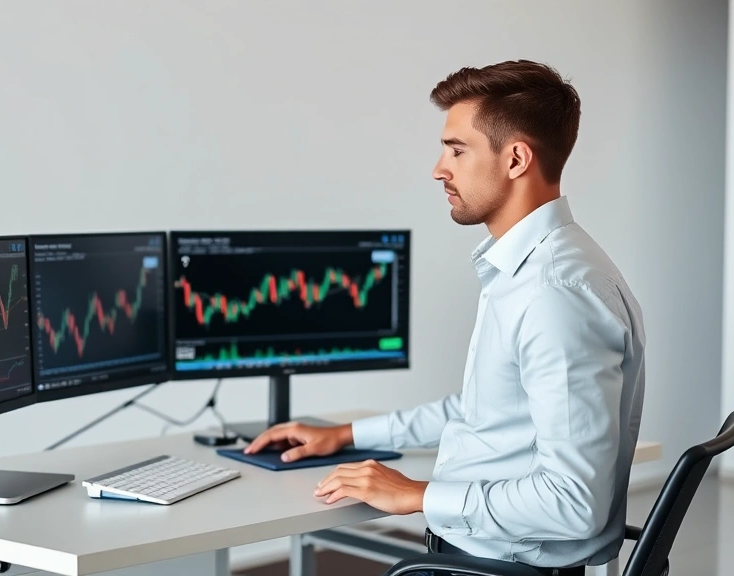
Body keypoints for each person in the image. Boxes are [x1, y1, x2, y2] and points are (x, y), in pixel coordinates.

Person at [244, 60, 646, 574]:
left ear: (516, 159)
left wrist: (417, 495)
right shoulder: (534, 267)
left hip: (498, 567)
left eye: (457, 150)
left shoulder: (552, 293)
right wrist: (346, 435)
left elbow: (573, 503)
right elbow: (484, 410)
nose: (439, 168)